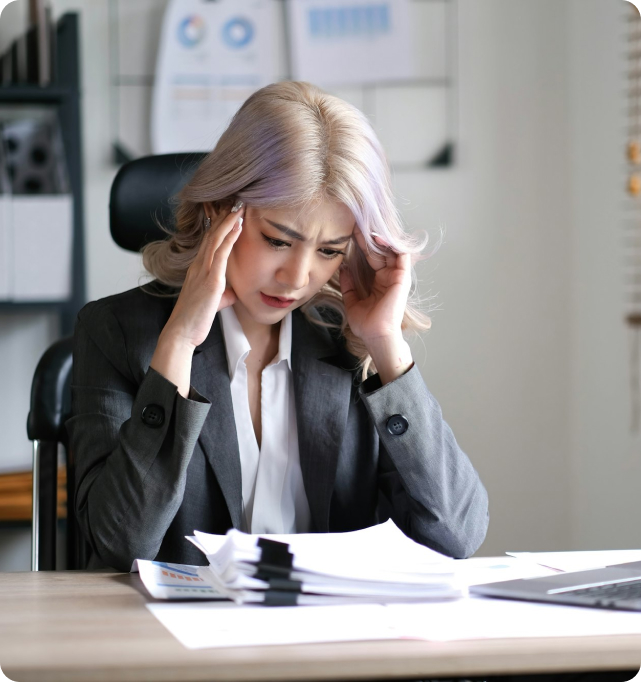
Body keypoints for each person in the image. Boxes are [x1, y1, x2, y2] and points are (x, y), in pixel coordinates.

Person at [67, 81, 489, 571]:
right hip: (181, 640)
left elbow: (458, 533)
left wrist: (387, 347)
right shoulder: (115, 331)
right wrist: (178, 345)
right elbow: (122, 543)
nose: (297, 278)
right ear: (219, 209)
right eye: (278, 240)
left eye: (330, 250)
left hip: (325, 638)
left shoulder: (349, 342)